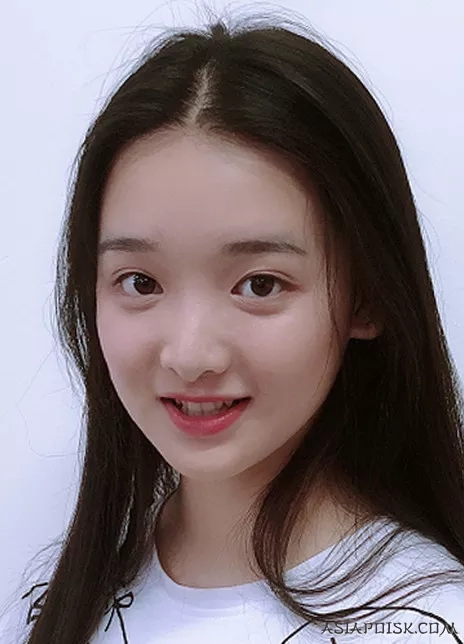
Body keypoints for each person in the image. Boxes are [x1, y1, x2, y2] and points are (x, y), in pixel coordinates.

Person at [2, 8, 464, 644]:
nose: (190, 354)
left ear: (366, 298)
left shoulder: (423, 623)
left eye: (260, 285)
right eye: (140, 283)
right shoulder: (53, 605)